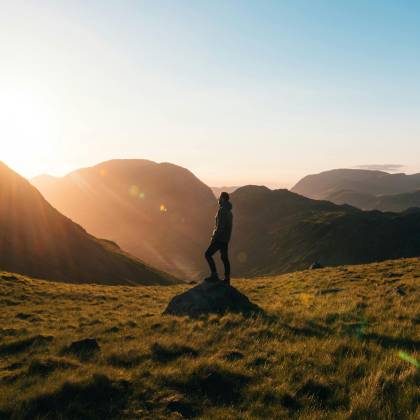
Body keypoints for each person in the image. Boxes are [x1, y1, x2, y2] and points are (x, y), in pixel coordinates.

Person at [205, 192, 233, 284]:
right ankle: (227, 279)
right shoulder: (229, 211)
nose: (219, 199)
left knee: (207, 254)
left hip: (219, 238)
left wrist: (214, 238)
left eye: (220, 197)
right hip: (225, 239)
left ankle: (214, 275)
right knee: (224, 258)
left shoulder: (222, 210)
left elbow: (219, 227)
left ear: (223, 199)